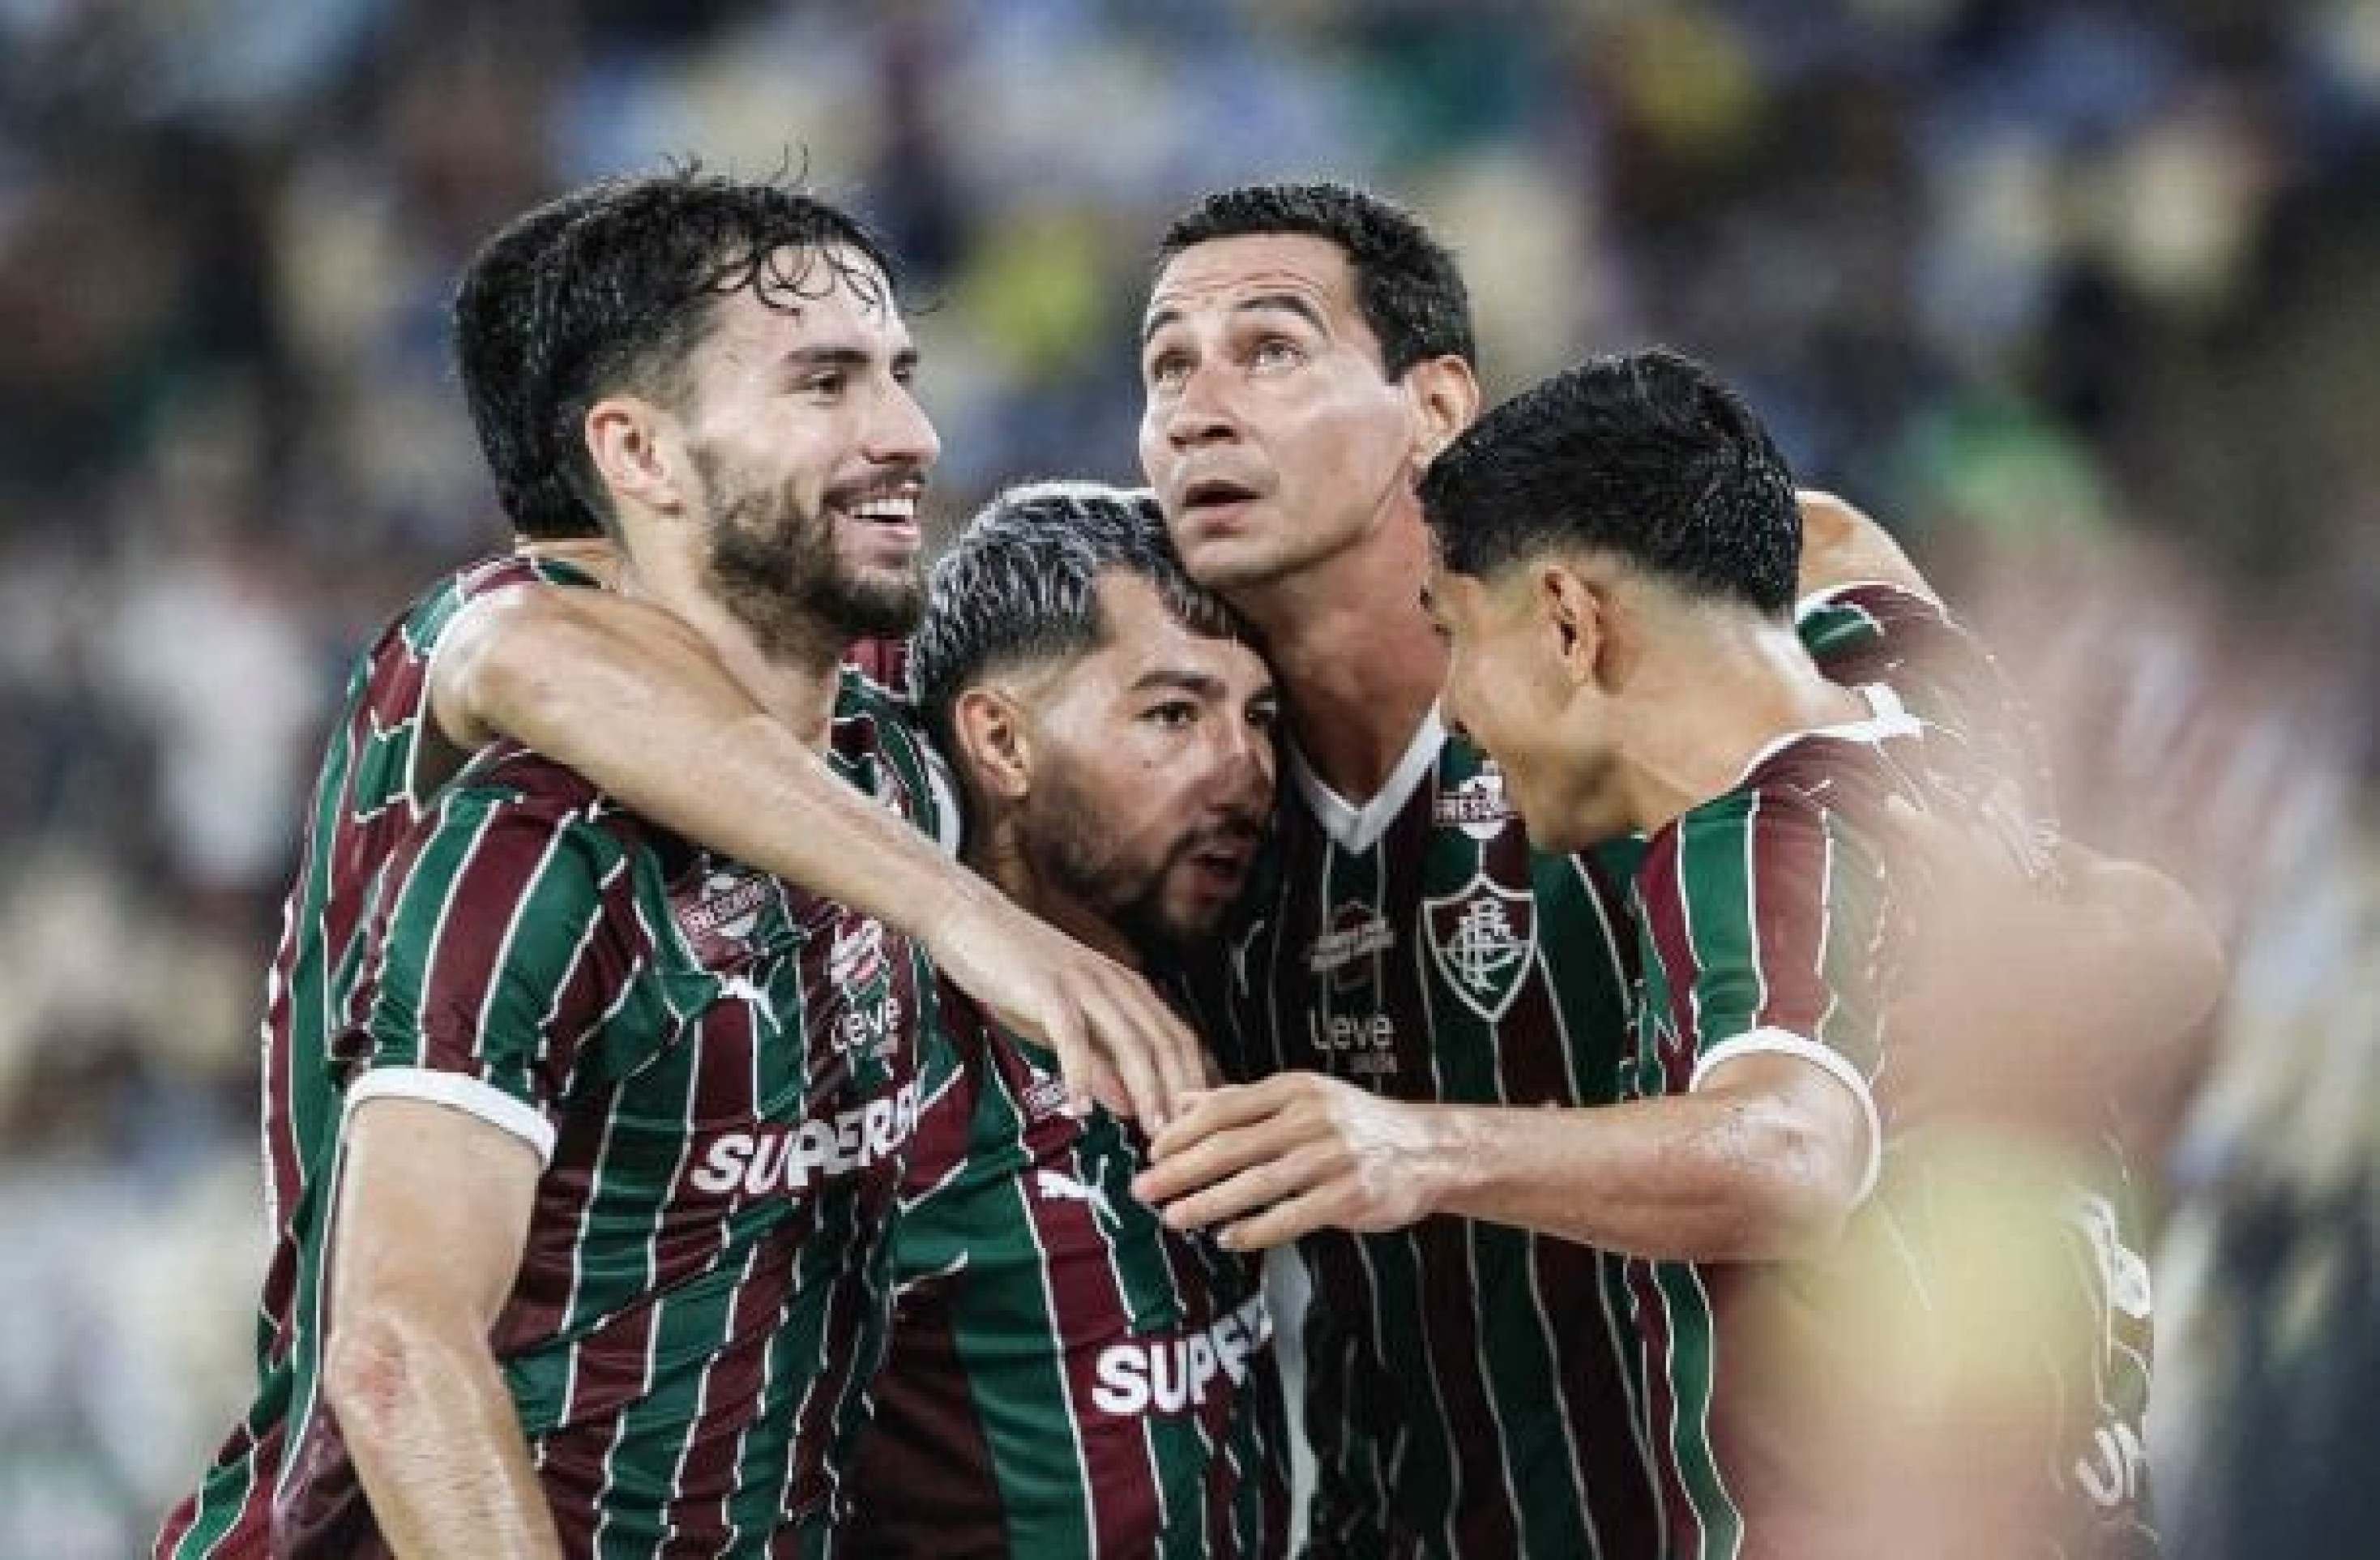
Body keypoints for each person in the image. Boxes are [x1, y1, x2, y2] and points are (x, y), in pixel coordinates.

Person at [159, 177, 1203, 1557]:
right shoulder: (512, 772)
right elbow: (399, 1352)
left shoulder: (880, 743)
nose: (911, 433)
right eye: (822, 382)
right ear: (632, 456)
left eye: (898, 372)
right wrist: (964, 917)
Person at [1397, 348, 2202, 1555]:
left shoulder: (1750, 843)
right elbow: (1827, 528)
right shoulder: (1920, 685)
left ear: (1568, 619)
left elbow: (1786, 1151)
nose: (1451, 708)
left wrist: (1414, 1144)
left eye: (1454, 633)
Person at [1130, 178, 1661, 1557]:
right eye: (1165, 366)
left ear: (1432, 407)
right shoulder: (1178, 799)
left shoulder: (1632, 664)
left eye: (1270, 349)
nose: (1197, 409)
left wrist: (1423, 1149)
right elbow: (520, 650)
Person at [844, 481, 1290, 1556]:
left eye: (1260, 717)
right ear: (1000, 741)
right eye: (1172, 713)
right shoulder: (866, 1040)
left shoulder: (1230, 963)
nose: (1245, 771)